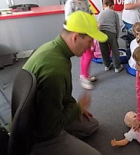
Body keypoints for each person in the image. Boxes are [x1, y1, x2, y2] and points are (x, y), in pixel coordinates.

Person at [23, 11, 108, 155]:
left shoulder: (55, 49)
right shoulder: (55, 70)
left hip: (43, 114)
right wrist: (77, 107)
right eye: (89, 41)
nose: (91, 47)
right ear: (75, 37)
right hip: (40, 134)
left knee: (91, 125)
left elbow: (63, 94)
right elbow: (48, 129)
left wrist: (75, 107)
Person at [64, 0, 96, 89]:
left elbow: (88, 13)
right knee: (87, 54)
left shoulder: (84, 0)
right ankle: (83, 76)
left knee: (90, 53)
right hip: (79, 34)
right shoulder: (71, 3)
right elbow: (68, 20)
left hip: (88, 32)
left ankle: (85, 74)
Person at [98, 0, 124, 73]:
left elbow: (98, 25)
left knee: (104, 50)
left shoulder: (100, 14)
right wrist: (116, 36)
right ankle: (117, 67)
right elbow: (117, 26)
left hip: (101, 33)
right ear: (113, 6)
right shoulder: (114, 13)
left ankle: (107, 65)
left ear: (103, 6)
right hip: (111, 32)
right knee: (115, 50)